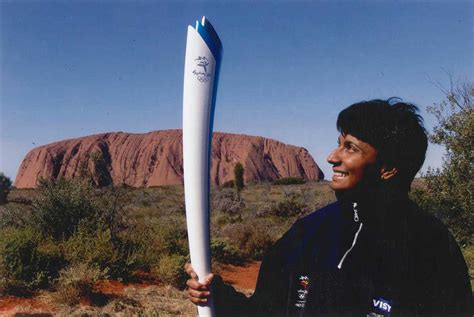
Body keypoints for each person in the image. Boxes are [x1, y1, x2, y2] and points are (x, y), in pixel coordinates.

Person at [185, 99, 473, 316]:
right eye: (339, 143)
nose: (332, 157)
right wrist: (217, 296)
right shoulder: (308, 233)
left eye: (350, 147)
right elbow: (264, 311)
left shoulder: (431, 245)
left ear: (387, 168)